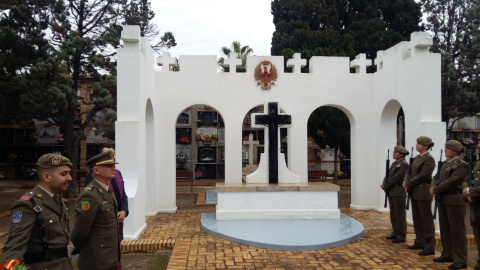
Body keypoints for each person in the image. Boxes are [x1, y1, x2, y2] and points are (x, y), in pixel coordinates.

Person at [1, 153, 73, 270]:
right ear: (46, 177)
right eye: (63, 174)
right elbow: (15, 246)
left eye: (69, 173)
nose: (69, 178)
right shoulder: (28, 204)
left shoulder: (59, 200)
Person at [72, 150, 120, 270]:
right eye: (108, 166)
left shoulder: (106, 190)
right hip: (96, 260)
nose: (113, 168)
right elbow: (81, 229)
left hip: (109, 257)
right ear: (96, 170)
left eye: (113, 165)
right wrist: (81, 247)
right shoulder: (90, 195)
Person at [430, 140, 467, 269]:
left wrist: (436, 189)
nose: (445, 150)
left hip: (455, 200)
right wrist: (434, 186)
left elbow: (453, 180)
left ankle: (461, 259)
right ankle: (448, 253)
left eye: (447, 148)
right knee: (445, 228)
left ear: (455, 150)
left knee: (457, 231)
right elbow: (436, 177)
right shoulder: (445, 164)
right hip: (444, 199)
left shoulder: (461, 165)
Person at [85, 144, 128, 242]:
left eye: (112, 155)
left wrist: (124, 210)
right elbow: (88, 200)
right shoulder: (91, 176)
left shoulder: (118, 173)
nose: (111, 158)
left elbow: (123, 194)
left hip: (118, 219)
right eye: (107, 155)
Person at [403, 136, 436, 256]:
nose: (416, 145)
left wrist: (408, 182)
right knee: (417, 218)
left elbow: (424, 175)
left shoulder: (429, 159)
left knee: (426, 219)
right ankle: (419, 241)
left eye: (419, 144)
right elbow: (409, 172)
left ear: (426, 146)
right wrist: (406, 180)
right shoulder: (417, 158)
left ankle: (429, 245)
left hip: (423, 190)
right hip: (415, 190)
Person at [381, 146, 409, 243]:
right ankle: (395, 231)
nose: (394, 153)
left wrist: (386, 185)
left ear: (401, 154)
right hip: (392, 190)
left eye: (396, 152)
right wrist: (384, 183)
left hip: (398, 191)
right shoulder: (394, 164)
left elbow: (396, 178)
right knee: (393, 213)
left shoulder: (403, 165)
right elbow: (388, 176)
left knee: (399, 214)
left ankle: (401, 234)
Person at [463, 136, 480, 270]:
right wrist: (468, 193)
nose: (478, 146)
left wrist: (470, 191)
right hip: (476, 204)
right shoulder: (478, 162)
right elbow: (469, 178)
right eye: (478, 143)